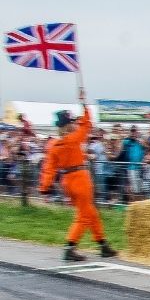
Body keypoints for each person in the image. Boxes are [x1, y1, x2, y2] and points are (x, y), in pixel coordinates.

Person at [40, 92, 117, 262]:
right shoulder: (73, 139)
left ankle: (103, 244)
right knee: (83, 216)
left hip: (67, 180)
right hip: (80, 178)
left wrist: (45, 188)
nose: (75, 123)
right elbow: (87, 123)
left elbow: (49, 168)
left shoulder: (53, 145)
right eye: (72, 122)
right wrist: (84, 104)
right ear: (68, 125)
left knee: (90, 213)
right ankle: (70, 246)